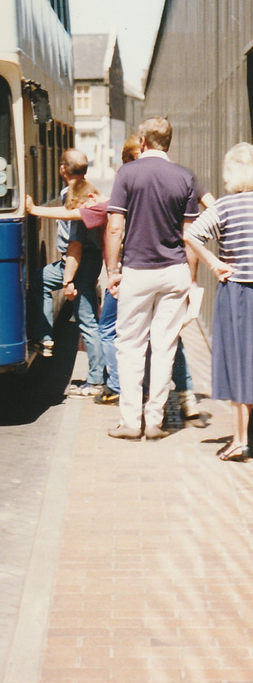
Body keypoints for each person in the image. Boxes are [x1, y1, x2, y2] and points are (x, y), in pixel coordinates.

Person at [105, 117, 199, 441]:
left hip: (137, 271)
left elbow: (115, 227)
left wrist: (113, 270)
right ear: (168, 143)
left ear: (142, 142)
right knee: (164, 348)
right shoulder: (185, 177)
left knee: (130, 346)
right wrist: (192, 278)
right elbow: (191, 235)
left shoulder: (127, 174)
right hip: (175, 272)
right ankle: (156, 420)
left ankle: (131, 422)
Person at [185, 142, 253, 461]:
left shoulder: (224, 207)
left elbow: (192, 235)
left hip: (238, 293)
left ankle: (240, 440)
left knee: (240, 366)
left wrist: (213, 263)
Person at [27, 149, 104, 393]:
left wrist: (69, 279)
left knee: (87, 319)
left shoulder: (72, 194)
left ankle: (96, 380)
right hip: (86, 260)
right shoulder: (88, 190)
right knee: (39, 280)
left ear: (62, 169)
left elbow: (75, 243)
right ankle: (45, 338)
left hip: (79, 261)